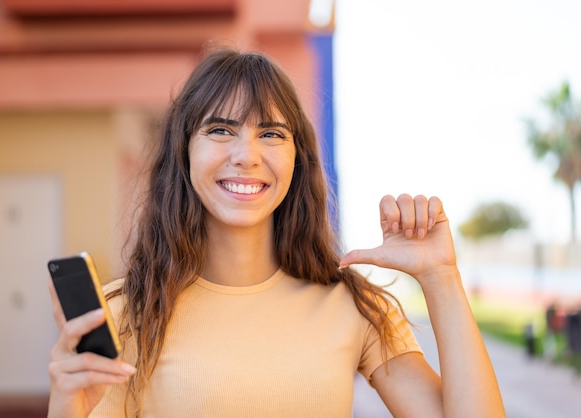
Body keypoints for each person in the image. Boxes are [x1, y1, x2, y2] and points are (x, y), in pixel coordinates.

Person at [46, 47, 505, 418]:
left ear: (296, 160)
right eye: (221, 129)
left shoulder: (354, 306)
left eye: (270, 134)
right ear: (184, 154)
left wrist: (441, 277)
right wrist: (67, 409)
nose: (246, 155)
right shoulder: (130, 312)